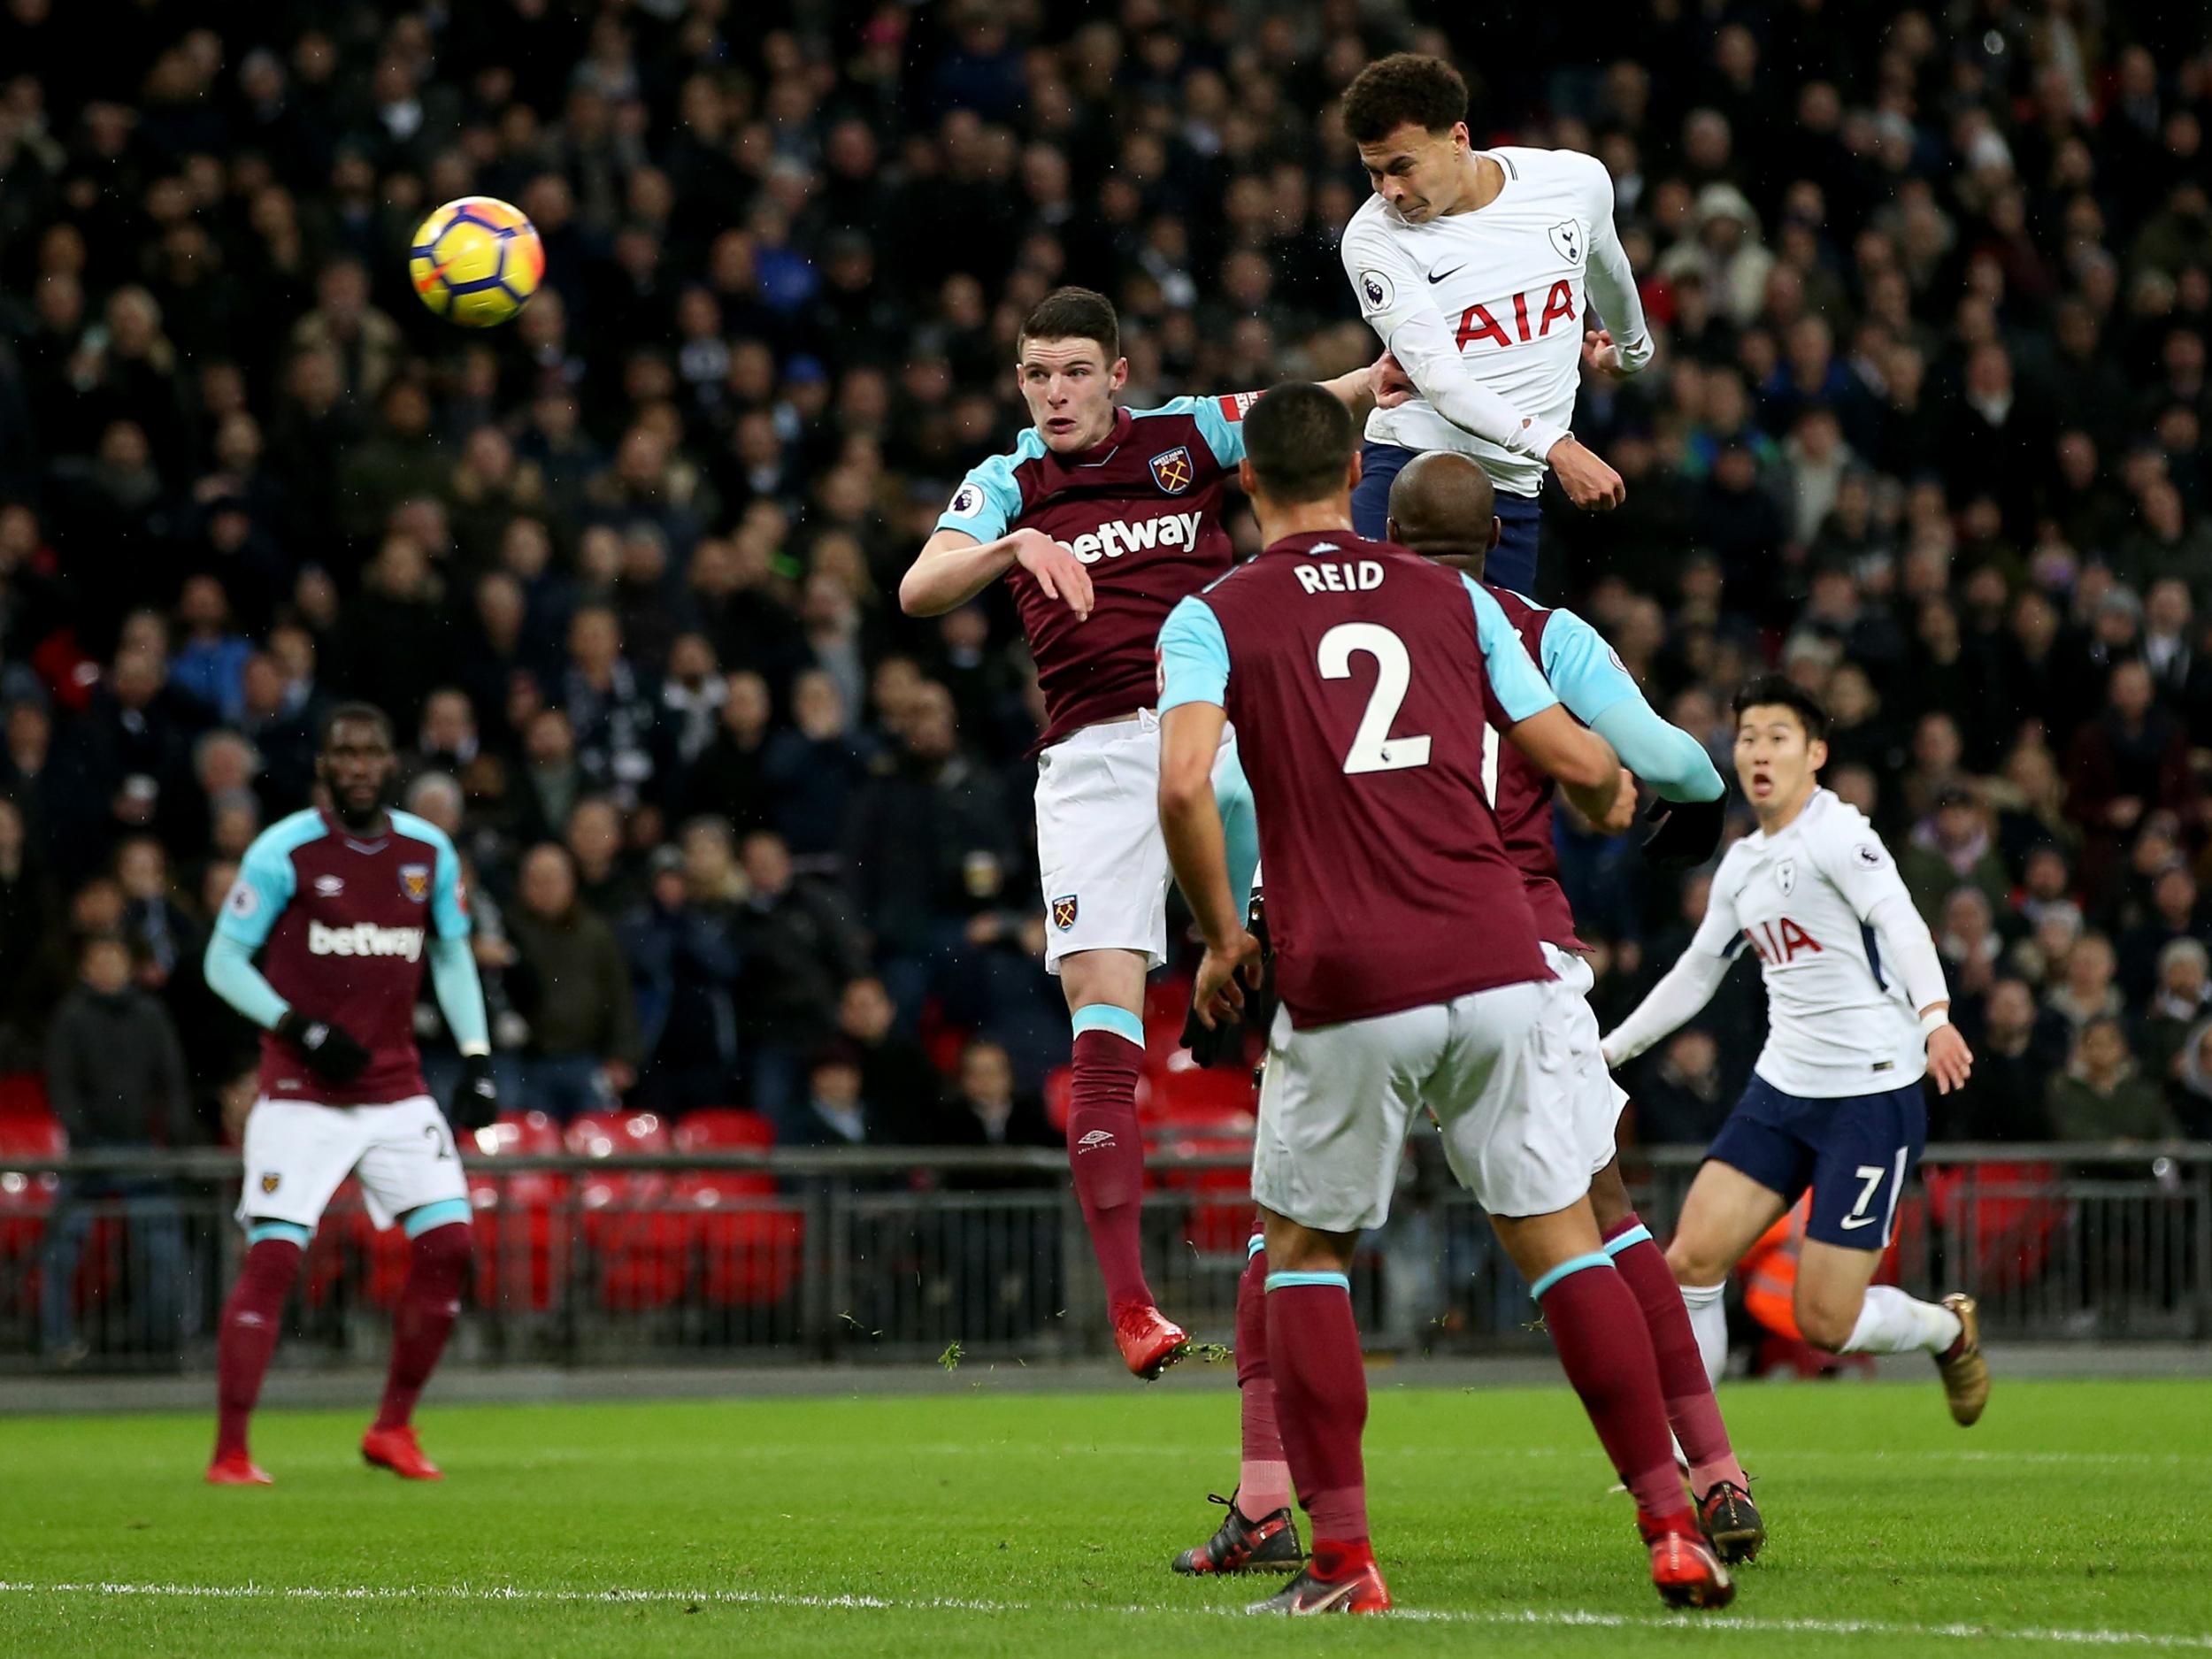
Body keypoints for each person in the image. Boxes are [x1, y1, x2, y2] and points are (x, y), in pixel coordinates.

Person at [1156, 382, 1731, 1615]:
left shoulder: (1212, 614)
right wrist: (1607, 802)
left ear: (1246, 482)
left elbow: (1187, 785)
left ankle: (1341, 1559)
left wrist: (1215, 937)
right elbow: (1583, 761)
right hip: (1499, 958)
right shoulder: (1457, 595)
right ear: (1352, 464)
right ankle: (1674, 1526)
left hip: (1350, 974)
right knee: (1565, 1242)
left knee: (1305, 1251)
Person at [897, 285, 1379, 1379]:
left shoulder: (1186, 434)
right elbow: (919, 587)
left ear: (1118, 372)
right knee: (1101, 1029)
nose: (1054, 393)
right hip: (1092, 763)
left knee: (1293, 980)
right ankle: (1130, 1308)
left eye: (1074, 371)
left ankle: (1296, 1233)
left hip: (1219, 726)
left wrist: (1398, 372)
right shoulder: (1009, 479)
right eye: (1034, 374)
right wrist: (1015, 546)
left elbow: (1324, 398)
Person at [1601, 678, 1990, 1425]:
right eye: (1747, 736)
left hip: (1870, 1095)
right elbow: (1693, 976)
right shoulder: (1743, 864)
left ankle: (1947, 1328)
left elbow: (1901, 921)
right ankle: (1699, 1463)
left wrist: (1935, 1014)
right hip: (1782, 1091)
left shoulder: (1841, 834)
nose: (1759, 752)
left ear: (1815, 752)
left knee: (1824, 1322)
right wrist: (1606, 1050)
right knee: (1689, 1261)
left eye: (1778, 736)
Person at [199, 703, 498, 1485]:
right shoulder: (283, 850)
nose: (360, 764)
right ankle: (231, 1451)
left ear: (391, 762)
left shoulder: (426, 849)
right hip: (303, 1092)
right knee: (274, 1257)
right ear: (325, 767)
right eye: (345, 752)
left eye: (373, 751)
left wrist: (476, 1057)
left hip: (397, 1090)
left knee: (450, 1244)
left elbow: (454, 955)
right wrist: (299, 1028)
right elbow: (223, 961)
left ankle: (392, 1427)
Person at [1336, 53, 1650, 594]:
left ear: (1459, 138)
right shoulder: (1373, 240)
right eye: (1374, 172)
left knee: (1481, 677)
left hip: (1506, 496)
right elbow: (1441, 382)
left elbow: (1609, 270)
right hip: (1405, 476)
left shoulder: (1573, 182)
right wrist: (1558, 446)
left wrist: (1631, 350)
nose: (1389, 191)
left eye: (1402, 167)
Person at [39, 933, 194, 1366]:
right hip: (89, 1154)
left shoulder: (151, 1015)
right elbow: (60, 1083)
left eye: (115, 958)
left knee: (164, 1247)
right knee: (63, 1246)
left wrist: (175, 1132)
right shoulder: (70, 1017)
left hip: (141, 1149)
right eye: (99, 959)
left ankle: (161, 1341)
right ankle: (59, 1341)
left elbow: (172, 1080)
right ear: (85, 968)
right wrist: (83, 1136)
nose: (108, 967)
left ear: (128, 966)